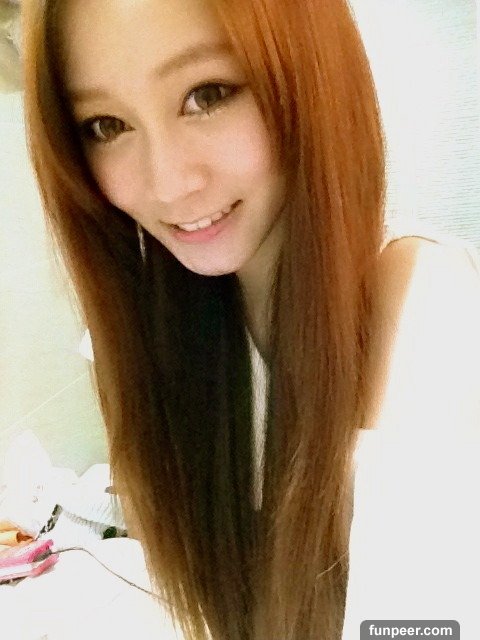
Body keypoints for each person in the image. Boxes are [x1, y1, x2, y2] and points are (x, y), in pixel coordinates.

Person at [21, 0, 480, 638]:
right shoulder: (165, 330)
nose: (169, 183)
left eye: (207, 95)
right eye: (107, 125)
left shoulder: (425, 311)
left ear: (309, 76)